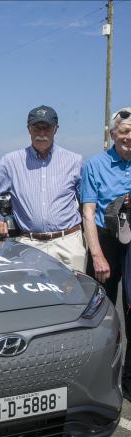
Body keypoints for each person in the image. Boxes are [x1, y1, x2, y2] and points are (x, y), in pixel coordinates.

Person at [0, 105, 85, 272]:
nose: (42, 133)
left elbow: (88, 206)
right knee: (33, 298)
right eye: (37, 128)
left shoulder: (75, 161)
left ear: (56, 129)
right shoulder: (11, 162)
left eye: (47, 128)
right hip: (30, 245)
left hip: (68, 244)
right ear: (29, 129)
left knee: (75, 297)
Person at [82, 107, 131, 396]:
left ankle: (129, 378)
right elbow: (88, 213)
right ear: (113, 134)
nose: (128, 137)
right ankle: (100, 377)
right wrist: (97, 255)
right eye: (123, 132)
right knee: (102, 314)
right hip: (106, 241)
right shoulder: (95, 165)